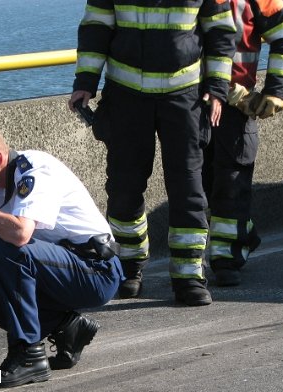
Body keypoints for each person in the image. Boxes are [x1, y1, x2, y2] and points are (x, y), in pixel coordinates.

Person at [69, 0, 237, 305]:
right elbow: (96, 28)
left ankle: (188, 276)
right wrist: (85, 82)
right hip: (126, 96)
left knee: (188, 187)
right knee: (123, 187)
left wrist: (217, 88)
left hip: (185, 98)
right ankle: (129, 266)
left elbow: (221, 31)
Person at [0, 123, 124, 388]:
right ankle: (66, 326)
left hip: (96, 270)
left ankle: (29, 357)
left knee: (9, 247)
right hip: (59, 272)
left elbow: (21, 234)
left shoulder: (33, 170)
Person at [202, 0, 283, 286]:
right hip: (191, 100)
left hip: (235, 104)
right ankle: (242, 236)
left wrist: (276, 90)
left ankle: (226, 258)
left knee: (232, 180)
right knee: (198, 183)